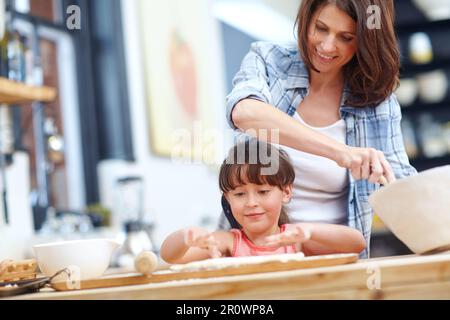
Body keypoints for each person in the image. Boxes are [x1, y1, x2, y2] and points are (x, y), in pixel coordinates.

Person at [221, 0, 417, 258]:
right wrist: (340, 152)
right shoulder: (269, 61)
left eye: (345, 37)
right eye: (321, 28)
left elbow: (402, 184)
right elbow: (244, 112)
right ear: (306, 19)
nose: (327, 46)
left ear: (365, 39)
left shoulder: (377, 102)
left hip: (335, 263)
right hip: (253, 258)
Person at [161, 140, 366, 264]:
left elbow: (356, 243)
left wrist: (310, 231)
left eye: (262, 191)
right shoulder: (228, 242)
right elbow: (172, 257)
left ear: (286, 192)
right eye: (240, 194)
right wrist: (185, 237)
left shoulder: (294, 240)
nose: (251, 202)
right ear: (227, 198)